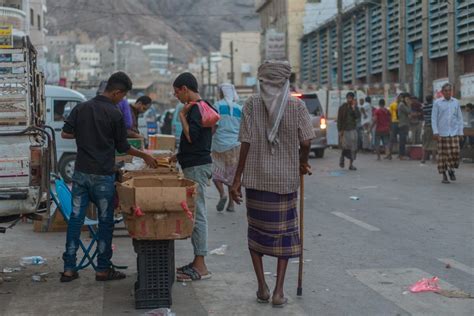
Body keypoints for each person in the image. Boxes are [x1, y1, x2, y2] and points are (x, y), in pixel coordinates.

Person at [230, 61, 314, 307]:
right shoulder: (296, 105)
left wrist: (237, 179)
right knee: (284, 236)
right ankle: (278, 291)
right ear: (285, 81)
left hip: (255, 181)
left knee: (256, 233)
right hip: (284, 183)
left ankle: (262, 287)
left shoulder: (251, 104)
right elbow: (307, 141)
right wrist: (302, 162)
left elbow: (244, 142)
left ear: (262, 80)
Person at [60, 72, 158, 282]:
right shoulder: (114, 114)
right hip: (103, 176)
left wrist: (86, 134)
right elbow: (123, 147)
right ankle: (102, 269)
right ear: (116, 92)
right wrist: (144, 156)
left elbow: (65, 133)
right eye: (122, 97)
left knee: (76, 221)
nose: (121, 100)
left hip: (80, 174)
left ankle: (69, 268)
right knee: (106, 222)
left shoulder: (82, 107)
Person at [173, 72, 215, 282]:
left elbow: (193, 137)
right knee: (195, 213)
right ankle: (198, 261)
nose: (177, 97)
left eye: (177, 93)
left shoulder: (195, 108)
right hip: (197, 163)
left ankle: (201, 265)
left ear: (184, 89)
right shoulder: (205, 106)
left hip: (197, 167)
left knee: (197, 215)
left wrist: (182, 117)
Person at [212, 83, 242, 213]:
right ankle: (231, 204)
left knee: (216, 172)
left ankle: (222, 194)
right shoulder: (239, 108)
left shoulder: (217, 106)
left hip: (219, 144)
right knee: (232, 174)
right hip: (235, 145)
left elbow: (214, 126)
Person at [432, 83, 464, 184]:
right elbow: (434, 118)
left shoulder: (456, 102)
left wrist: (461, 132)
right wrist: (435, 132)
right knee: (443, 156)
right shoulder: (437, 103)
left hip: (454, 132)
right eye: (445, 90)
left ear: (451, 91)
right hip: (442, 133)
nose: (447, 92)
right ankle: (444, 175)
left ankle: (451, 169)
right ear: (442, 92)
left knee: (455, 152)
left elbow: (459, 118)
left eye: (449, 90)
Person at [338, 92, 360, 170]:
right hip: (345, 130)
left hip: (353, 130)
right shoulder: (342, 107)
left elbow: (357, 117)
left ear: (353, 99)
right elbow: (339, 119)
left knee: (353, 148)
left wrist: (354, 108)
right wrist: (340, 130)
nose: (349, 99)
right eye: (348, 98)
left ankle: (351, 164)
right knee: (345, 147)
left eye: (351, 98)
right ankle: (342, 158)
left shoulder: (355, 107)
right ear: (346, 98)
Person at [421, 95, 437, 163]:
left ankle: (423, 159)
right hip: (433, 126)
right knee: (434, 142)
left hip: (426, 126)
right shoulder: (434, 106)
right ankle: (433, 159)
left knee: (426, 143)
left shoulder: (424, 107)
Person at [397, 93, 411, 160]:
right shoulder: (402, 104)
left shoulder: (402, 104)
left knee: (403, 140)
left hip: (404, 124)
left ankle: (401, 154)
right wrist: (409, 104)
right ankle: (401, 155)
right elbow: (409, 111)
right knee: (402, 140)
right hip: (403, 124)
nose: (408, 100)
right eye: (407, 99)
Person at [388, 94, 401, 160]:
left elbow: (389, 115)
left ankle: (390, 154)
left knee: (392, 139)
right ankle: (391, 154)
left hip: (395, 123)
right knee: (394, 139)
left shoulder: (393, 105)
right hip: (396, 123)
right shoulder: (394, 105)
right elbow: (390, 115)